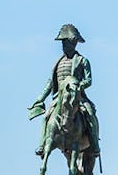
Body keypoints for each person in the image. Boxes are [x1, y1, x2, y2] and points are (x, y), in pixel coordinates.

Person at [29, 24, 100, 157]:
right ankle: (42, 144)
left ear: (72, 43)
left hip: (77, 97)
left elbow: (88, 81)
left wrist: (78, 86)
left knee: (90, 114)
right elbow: (50, 83)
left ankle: (95, 144)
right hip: (59, 98)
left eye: (65, 42)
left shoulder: (82, 61)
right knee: (46, 117)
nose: (63, 45)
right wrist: (40, 98)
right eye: (62, 42)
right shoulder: (58, 63)